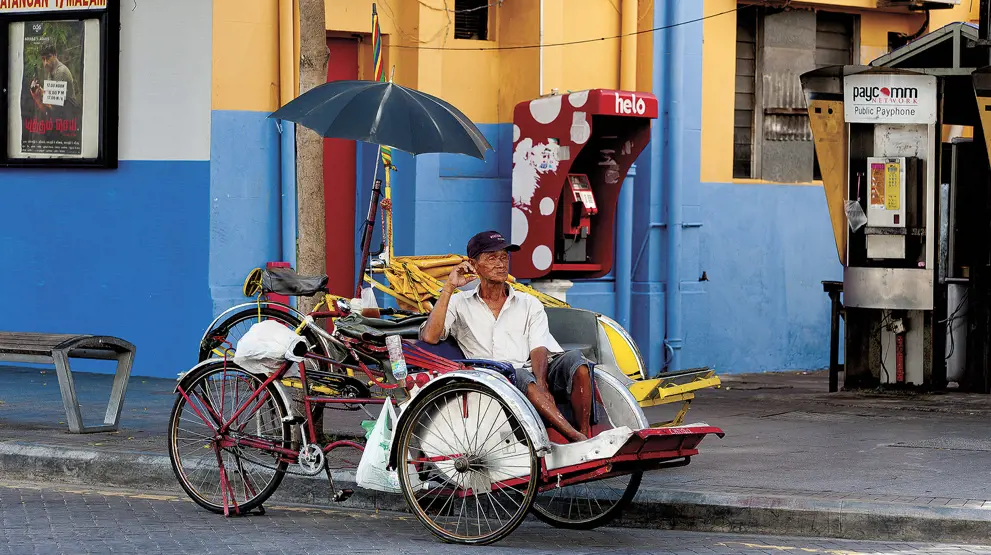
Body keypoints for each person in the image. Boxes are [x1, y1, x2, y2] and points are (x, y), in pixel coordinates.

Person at [419, 230, 594, 443]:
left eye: (504, 257)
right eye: (492, 258)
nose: (501, 264)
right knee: (518, 375)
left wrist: (541, 382)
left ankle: (586, 434)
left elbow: (538, 346)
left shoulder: (529, 303)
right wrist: (449, 287)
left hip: (531, 373)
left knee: (576, 361)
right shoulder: (458, 303)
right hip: (493, 379)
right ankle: (574, 437)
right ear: (473, 265)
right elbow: (430, 337)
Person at [29, 43, 79, 119]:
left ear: (55, 55)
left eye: (48, 57)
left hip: (69, 115)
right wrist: (38, 93)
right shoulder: (51, 71)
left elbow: (54, 106)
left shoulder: (61, 71)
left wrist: (42, 93)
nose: (46, 62)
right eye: (43, 59)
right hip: (61, 115)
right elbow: (49, 107)